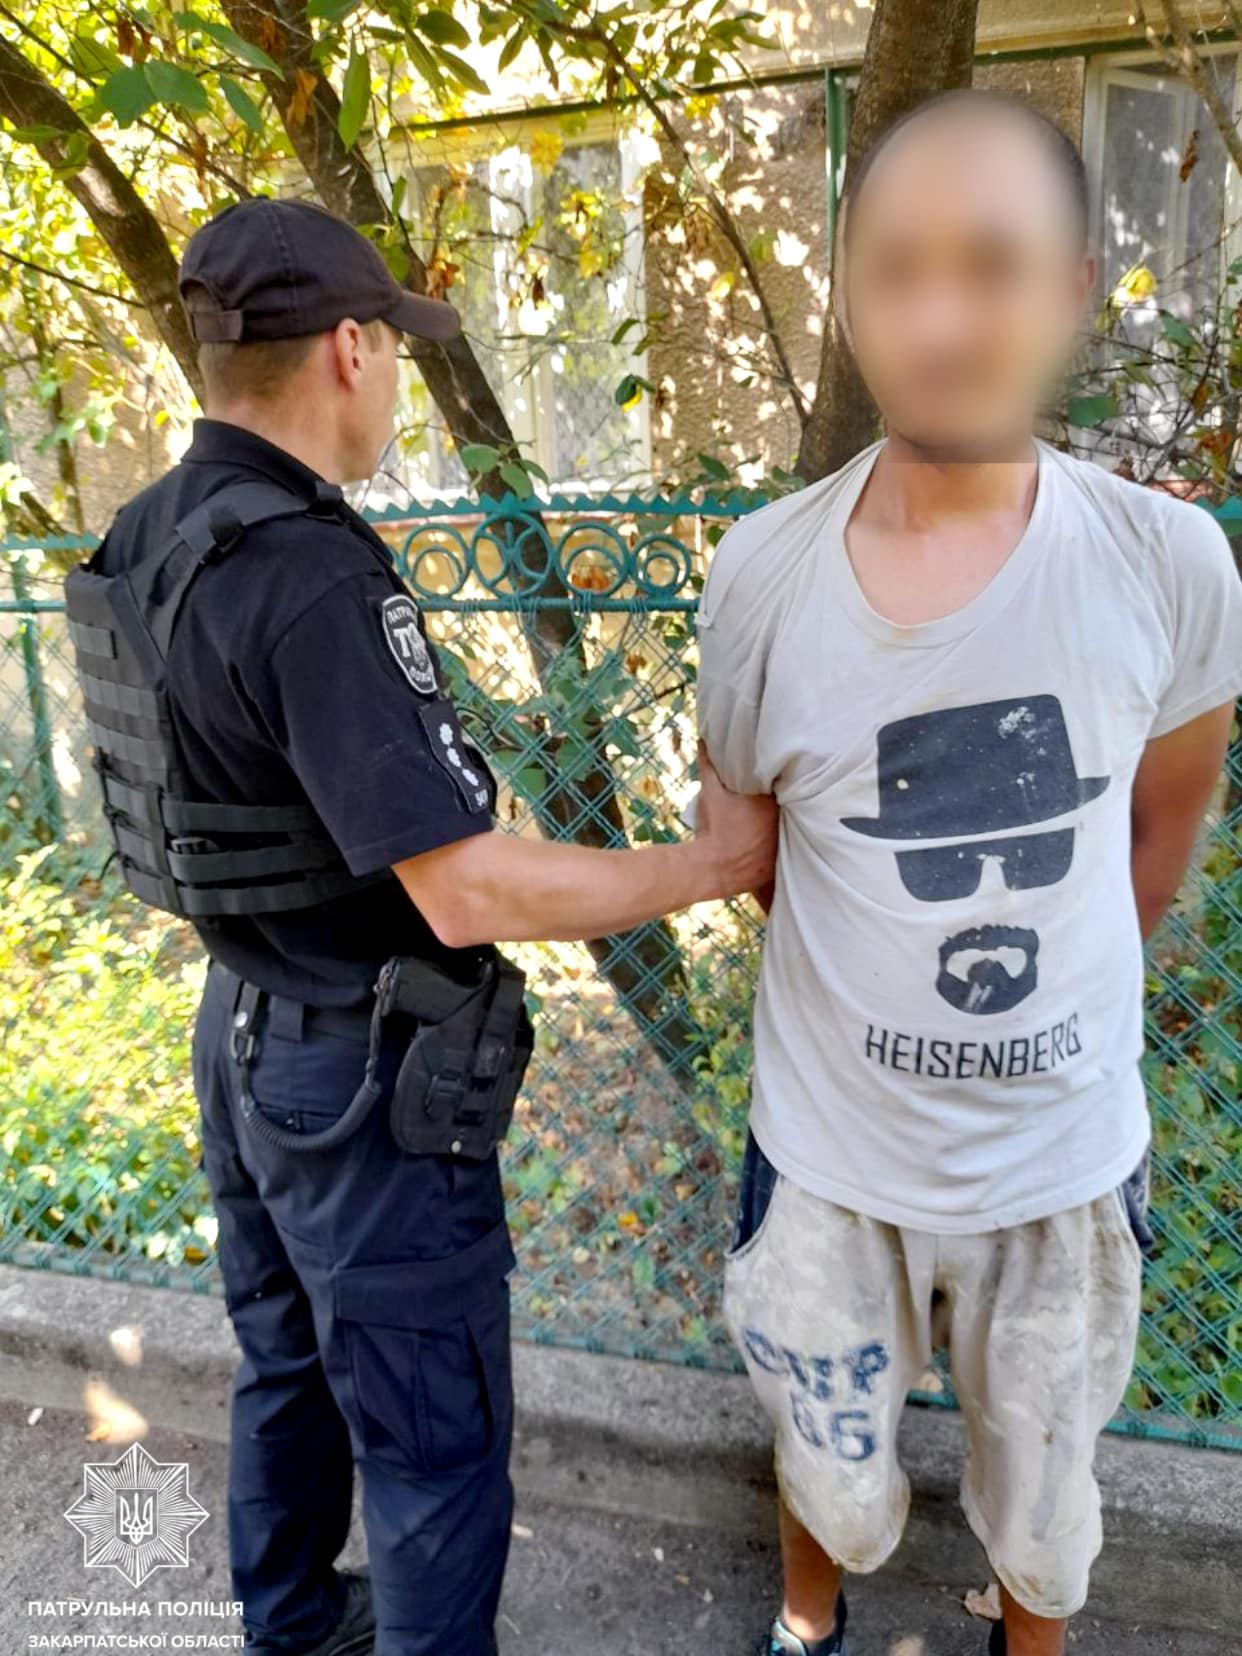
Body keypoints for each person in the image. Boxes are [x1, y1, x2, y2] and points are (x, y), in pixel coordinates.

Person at [70, 197, 777, 1656]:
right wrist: (712, 865)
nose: (393, 374)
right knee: (431, 1451)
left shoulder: (153, 528)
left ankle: (289, 1627)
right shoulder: (309, 575)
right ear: (348, 348)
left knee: (287, 1367)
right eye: (391, 345)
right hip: (360, 1084)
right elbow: (467, 886)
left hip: (246, 1033)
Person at [696, 91, 1242, 1656]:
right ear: (848, 294)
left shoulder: (1167, 565)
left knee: (1046, 1498)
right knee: (822, 1448)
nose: (940, 319)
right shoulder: (760, 575)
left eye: (990, 266)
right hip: (826, 1161)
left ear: (1067, 290)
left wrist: (1039, 1008)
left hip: (1060, 1165)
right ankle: (807, 1626)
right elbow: (753, 850)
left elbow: (1153, 838)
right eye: (896, 270)